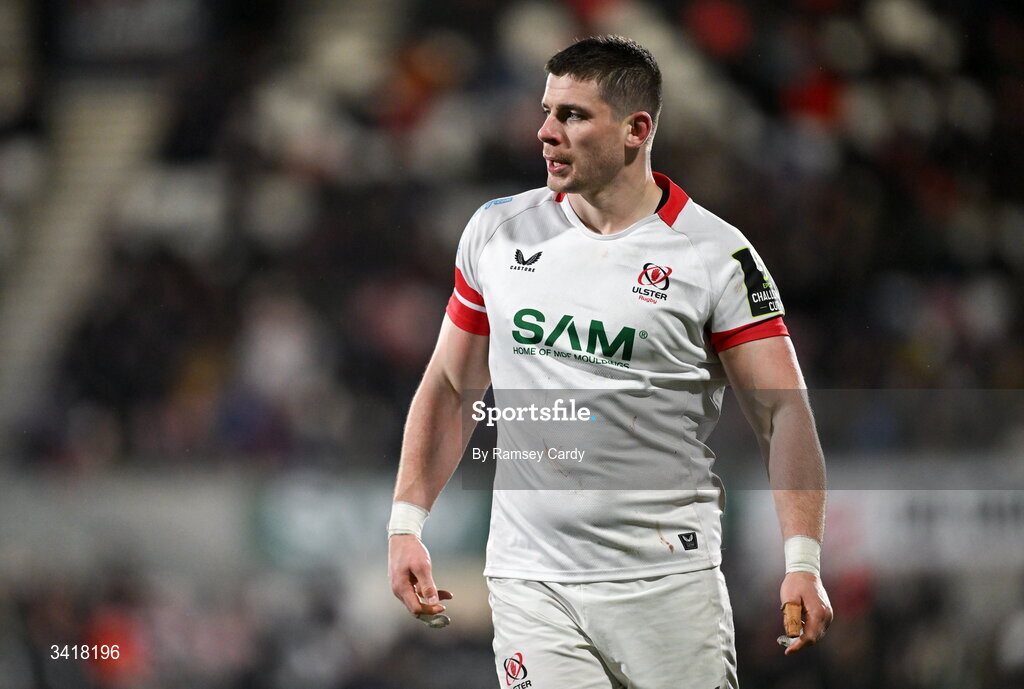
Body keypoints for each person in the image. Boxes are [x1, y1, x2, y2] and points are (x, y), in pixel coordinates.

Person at [388, 35, 832, 688]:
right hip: (530, 580)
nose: (545, 132)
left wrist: (803, 558)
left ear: (636, 129)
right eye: (546, 111)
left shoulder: (715, 255)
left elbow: (783, 411)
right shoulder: (497, 231)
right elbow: (452, 386)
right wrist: (405, 523)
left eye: (572, 115)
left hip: (666, 583)